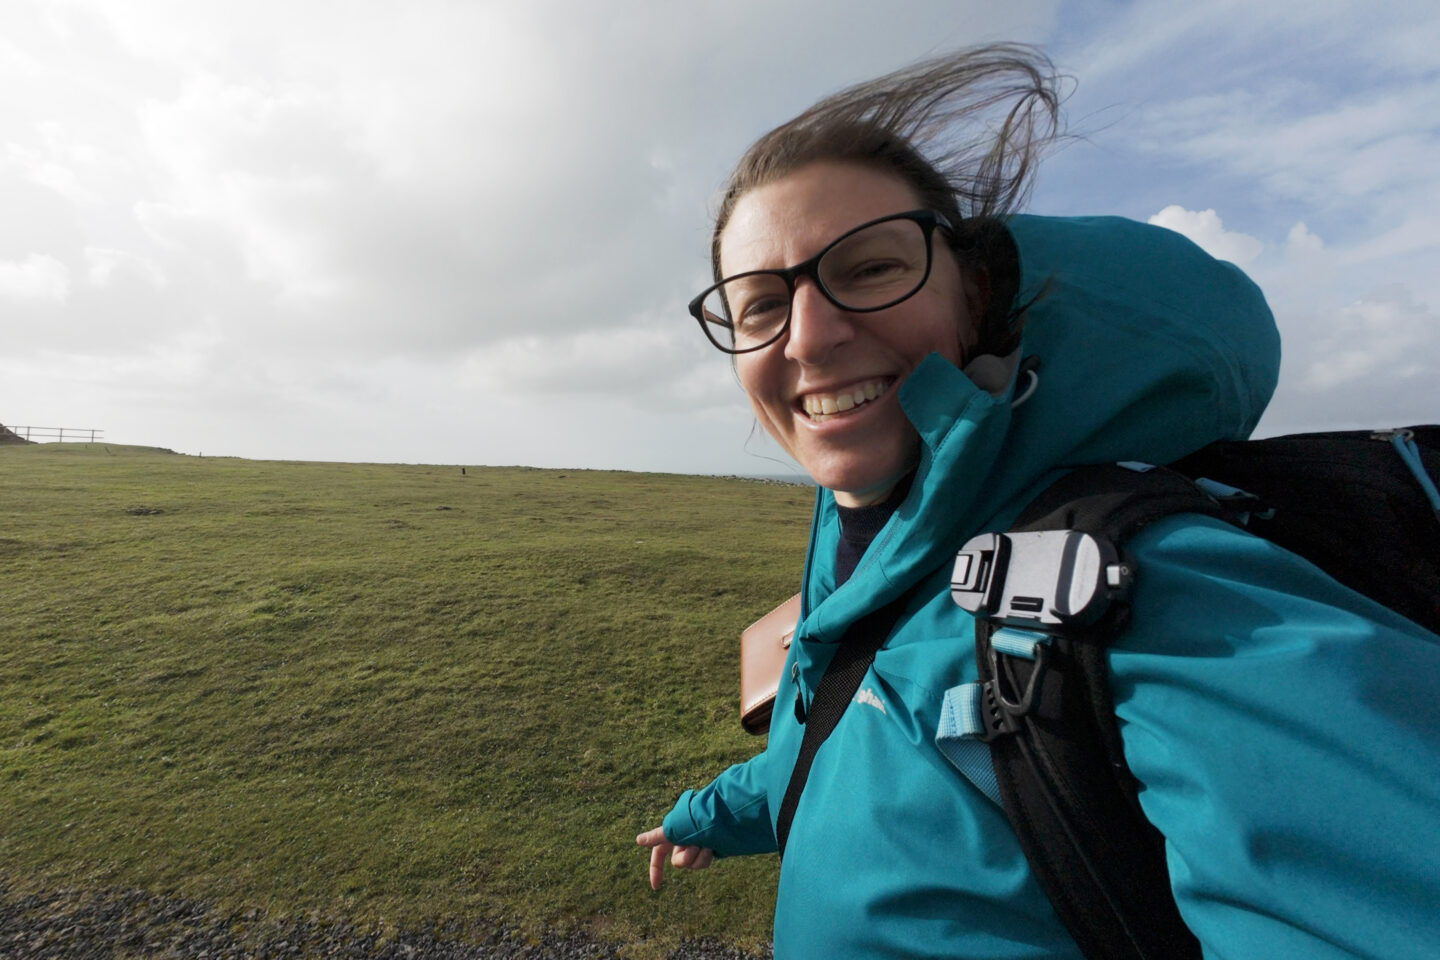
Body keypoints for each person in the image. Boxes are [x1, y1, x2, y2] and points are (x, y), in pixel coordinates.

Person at [636, 44, 1440, 959]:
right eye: (757, 306)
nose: (809, 339)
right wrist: (710, 813)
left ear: (976, 291)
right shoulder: (868, 554)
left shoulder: (1134, 588)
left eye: (868, 268)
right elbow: (839, 732)